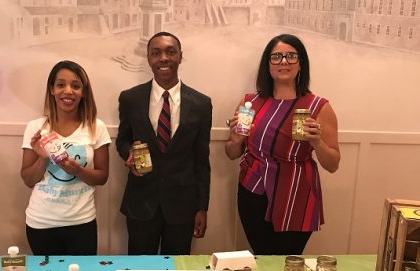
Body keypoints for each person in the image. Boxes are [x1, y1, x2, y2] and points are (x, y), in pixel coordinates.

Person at [225, 34, 340, 255]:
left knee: (288, 260)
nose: (284, 62)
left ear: (301, 63)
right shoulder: (250, 102)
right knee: (263, 257)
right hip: (253, 192)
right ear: (267, 65)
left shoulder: (319, 106)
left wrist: (316, 142)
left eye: (291, 56)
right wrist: (237, 140)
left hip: (297, 193)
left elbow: (333, 164)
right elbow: (231, 153)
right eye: (276, 57)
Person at [116, 31, 212, 255]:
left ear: (180, 56)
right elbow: (122, 140)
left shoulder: (201, 103)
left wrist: (202, 207)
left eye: (171, 52)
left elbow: (201, 160)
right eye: (156, 53)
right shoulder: (130, 99)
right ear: (149, 58)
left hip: (183, 205)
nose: (164, 58)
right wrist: (128, 153)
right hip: (141, 202)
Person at [21, 60, 111, 255]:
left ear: (83, 92)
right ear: (52, 90)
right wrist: (43, 158)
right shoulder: (36, 128)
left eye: (76, 86)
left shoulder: (97, 127)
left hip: (81, 223)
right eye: (61, 84)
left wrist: (77, 170)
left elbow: (102, 177)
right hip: (40, 223)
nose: (68, 91)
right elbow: (28, 180)